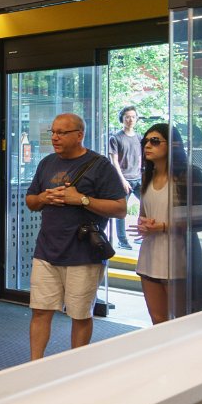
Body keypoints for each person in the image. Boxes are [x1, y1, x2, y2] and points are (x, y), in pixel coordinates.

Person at [25, 113, 126, 360]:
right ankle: (34, 365)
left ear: (79, 135)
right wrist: (43, 198)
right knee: (40, 311)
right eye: (52, 132)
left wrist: (81, 199)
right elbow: (31, 201)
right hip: (46, 251)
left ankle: (76, 365)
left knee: (80, 315)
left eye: (61, 133)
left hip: (84, 254)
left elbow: (120, 209)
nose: (55, 138)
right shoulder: (47, 163)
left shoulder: (100, 165)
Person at [135, 123, 202, 324]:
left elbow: (201, 219)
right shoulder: (147, 176)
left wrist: (163, 227)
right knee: (158, 320)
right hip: (149, 256)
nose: (147, 145)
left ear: (172, 145)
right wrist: (143, 224)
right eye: (145, 141)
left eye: (155, 141)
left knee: (183, 320)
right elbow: (144, 213)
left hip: (178, 257)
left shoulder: (189, 175)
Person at [108, 106, 141, 249]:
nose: (130, 119)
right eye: (127, 117)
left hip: (138, 178)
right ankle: (122, 240)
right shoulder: (115, 138)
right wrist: (122, 180)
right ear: (122, 119)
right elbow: (114, 161)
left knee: (147, 206)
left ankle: (141, 234)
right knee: (121, 211)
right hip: (124, 179)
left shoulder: (139, 137)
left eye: (133, 117)